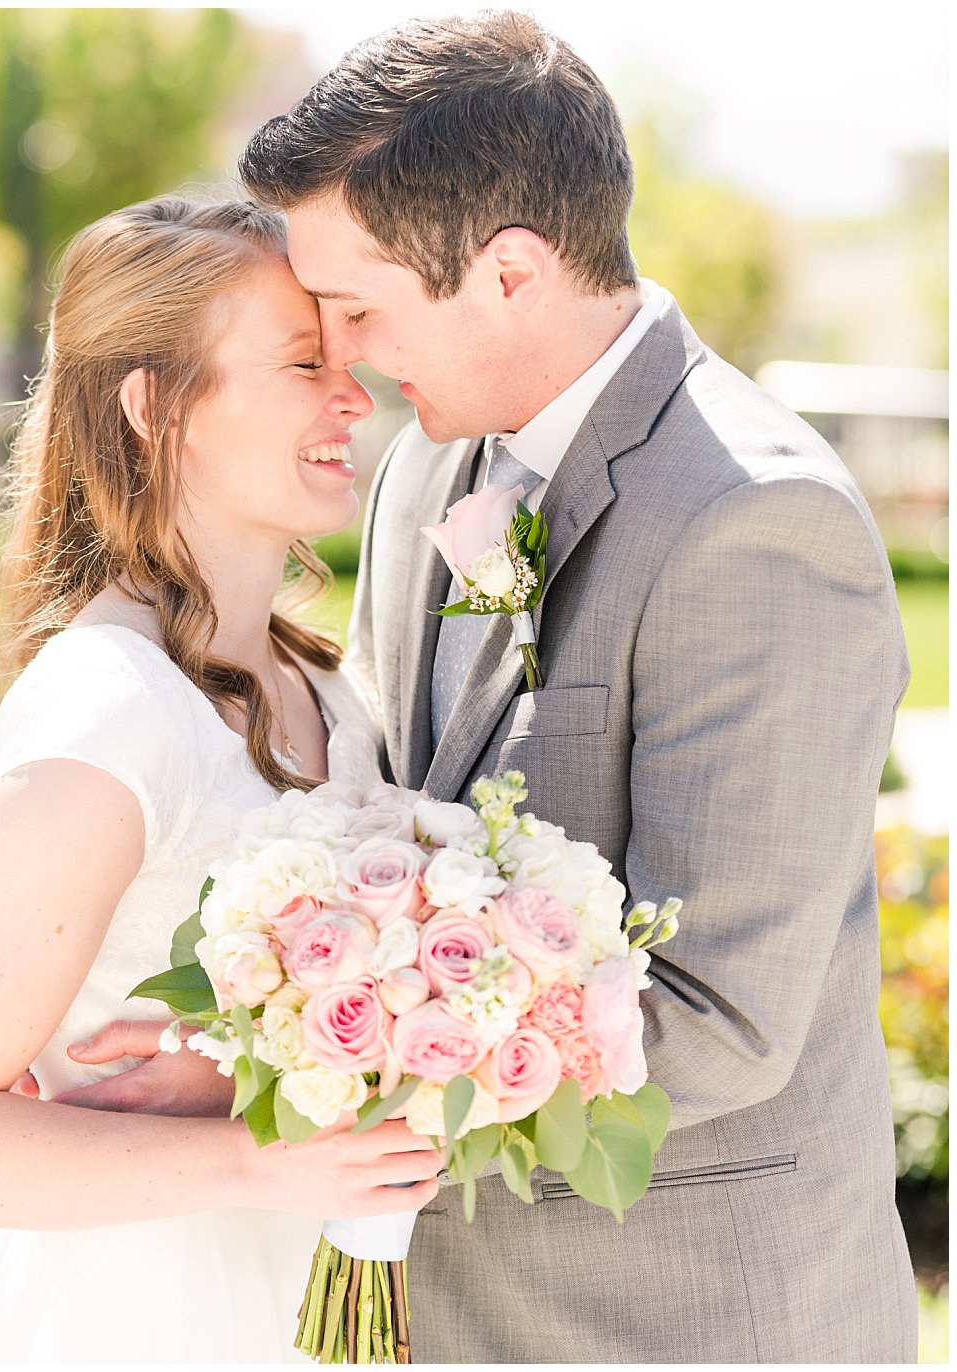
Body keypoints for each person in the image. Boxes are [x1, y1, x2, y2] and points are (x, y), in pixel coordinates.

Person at [59, 11, 917, 1362]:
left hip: (682, 1322)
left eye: (359, 307)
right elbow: (395, 836)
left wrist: (321, 1087)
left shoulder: (759, 523)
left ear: (509, 273)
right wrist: (255, 1061)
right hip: (453, 1309)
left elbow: (722, 1018)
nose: (340, 357)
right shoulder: (426, 477)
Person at [0, 196, 443, 1363]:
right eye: (301, 363)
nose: (351, 397)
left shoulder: (323, 690)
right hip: (155, 1317)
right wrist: (251, 1155)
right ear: (156, 404)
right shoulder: (104, 716)